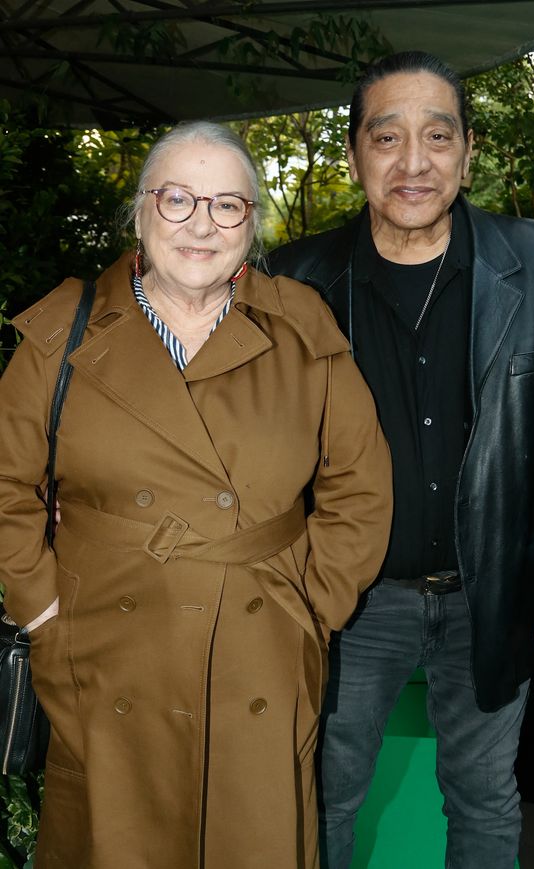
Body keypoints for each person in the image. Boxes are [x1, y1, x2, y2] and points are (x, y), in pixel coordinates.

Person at [0, 121, 393, 869]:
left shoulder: (303, 328)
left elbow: (360, 481)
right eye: (178, 199)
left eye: (227, 205)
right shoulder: (63, 333)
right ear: (141, 212)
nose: (201, 225)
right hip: (105, 652)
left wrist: (315, 605)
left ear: (253, 223)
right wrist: (43, 608)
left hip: (262, 650)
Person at [267, 51, 534, 869]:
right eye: (387, 137)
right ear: (354, 155)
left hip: (496, 596)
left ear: (469, 150)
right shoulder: (293, 281)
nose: (414, 163)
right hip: (349, 602)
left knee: (485, 801)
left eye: (437, 136)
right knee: (319, 796)